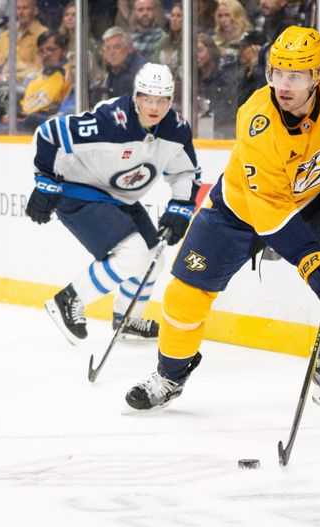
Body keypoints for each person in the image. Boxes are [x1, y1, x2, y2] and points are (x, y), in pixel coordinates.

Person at [125, 26, 320, 422]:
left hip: (315, 199)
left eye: (295, 75)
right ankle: (169, 376)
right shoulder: (256, 119)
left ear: (317, 75)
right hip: (241, 209)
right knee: (184, 297)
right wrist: (313, 263)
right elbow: (270, 210)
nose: (283, 84)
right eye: (276, 72)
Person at [25, 63, 201, 345]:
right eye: (147, 98)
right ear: (136, 96)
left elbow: (186, 172)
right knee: (134, 255)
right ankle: (68, 299)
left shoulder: (176, 129)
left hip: (121, 198)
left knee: (153, 260)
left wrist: (180, 206)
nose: (154, 107)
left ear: (170, 100)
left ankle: (126, 318)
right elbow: (50, 133)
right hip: (79, 190)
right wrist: (44, 180)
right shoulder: (111, 121)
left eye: (162, 100)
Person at [0, 30, 72, 133]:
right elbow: (25, 106)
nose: (46, 54)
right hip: (25, 120)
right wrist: (13, 115)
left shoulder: (69, 74)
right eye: (42, 51)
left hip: (42, 123)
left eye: (51, 50)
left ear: (64, 50)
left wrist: (28, 118)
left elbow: (61, 107)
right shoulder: (35, 78)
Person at [0, 0, 48, 88]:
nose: (20, 12)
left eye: (25, 8)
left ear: (35, 11)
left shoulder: (44, 35)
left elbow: (39, 70)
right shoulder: (5, 35)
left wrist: (5, 78)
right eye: (18, 8)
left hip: (25, 88)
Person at [90, 26, 147, 104]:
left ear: (129, 48)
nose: (112, 52)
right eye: (108, 48)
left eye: (116, 47)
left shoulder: (141, 72)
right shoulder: (107, 71)